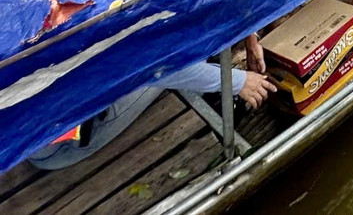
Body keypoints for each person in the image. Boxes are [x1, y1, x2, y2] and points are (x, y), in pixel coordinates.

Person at [26, 55, 277, 170]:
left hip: (34, 122)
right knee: (166, 73)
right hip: (57, 146)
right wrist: (237, 81)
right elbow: (157, 66)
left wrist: (249, 31)